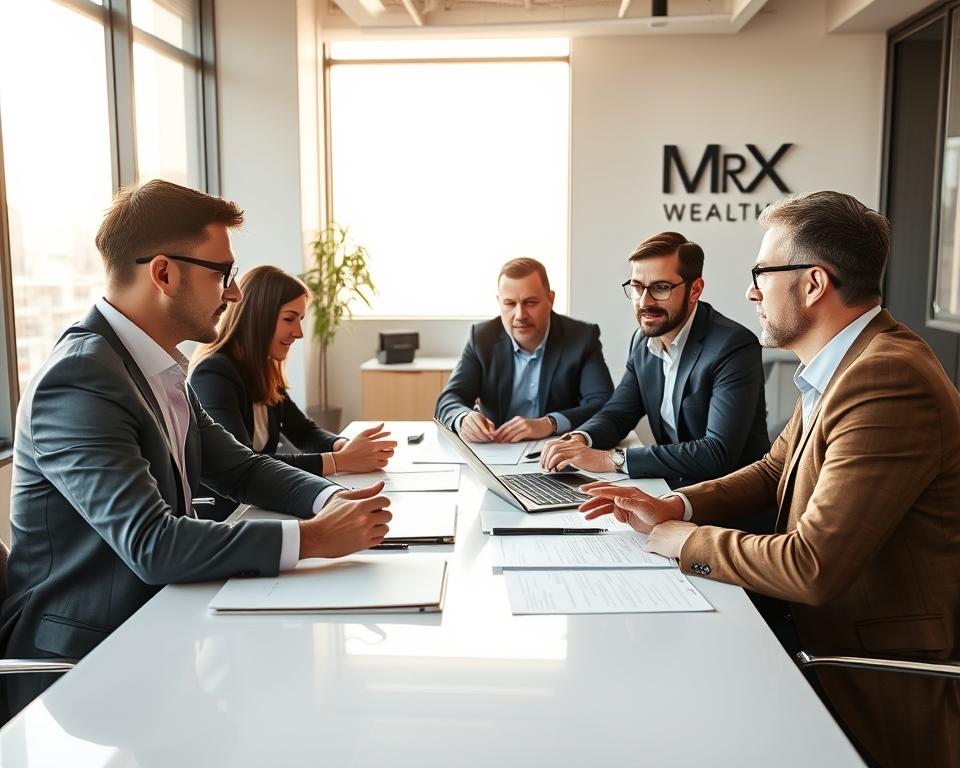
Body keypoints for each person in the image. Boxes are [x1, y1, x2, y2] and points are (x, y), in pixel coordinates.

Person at [579, 193, 960, 767]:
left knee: (649, 708)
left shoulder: (885, 376)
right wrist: (675, 506)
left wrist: (687, 541)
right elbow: (773, 469)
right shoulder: (846, 364)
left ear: (812, 284)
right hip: (813, 629)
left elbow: (813, 566)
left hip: (864, 663)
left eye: (761, 273)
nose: (753, 291)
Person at [0, 180, 391, 715]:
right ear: (163, 273)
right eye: (222, 273)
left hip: (163, 628)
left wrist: (328, 501)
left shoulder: (155, 365)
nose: (233, 293)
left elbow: (240, 468)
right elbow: (151, 544)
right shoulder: (80, 379)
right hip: (85, 670)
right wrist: (311, 539)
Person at [540, 232, 769, 490]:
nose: (645, 302)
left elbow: (716, 453)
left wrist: (611, 459)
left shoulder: (733, 346)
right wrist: (579, 439)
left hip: (728, 504)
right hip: (670, 490)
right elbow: (618, 414)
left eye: (661, 288)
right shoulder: (642, 341)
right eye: (637, 287)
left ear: (695, 290)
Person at [190, 265, 397, 520]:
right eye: (289, 319)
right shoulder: (214, 374)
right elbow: (247, 463)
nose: (299, 333)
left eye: (300, 320)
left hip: (259, 505)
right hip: (229, 515)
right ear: (258, 317)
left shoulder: (262, 369)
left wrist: (347, 446)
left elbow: (303, 431)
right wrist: (340, 460)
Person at [435, 257, 614, 443]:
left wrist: (550, 423)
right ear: (499, 302)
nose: (520, 315)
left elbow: (603, 403)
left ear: (550, 299)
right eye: (510, 304)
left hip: (557, 449)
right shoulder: (481, 338)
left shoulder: (581, 337)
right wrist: (464, 418)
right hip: (496, 450)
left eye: (530, 302)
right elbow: (449, 399)